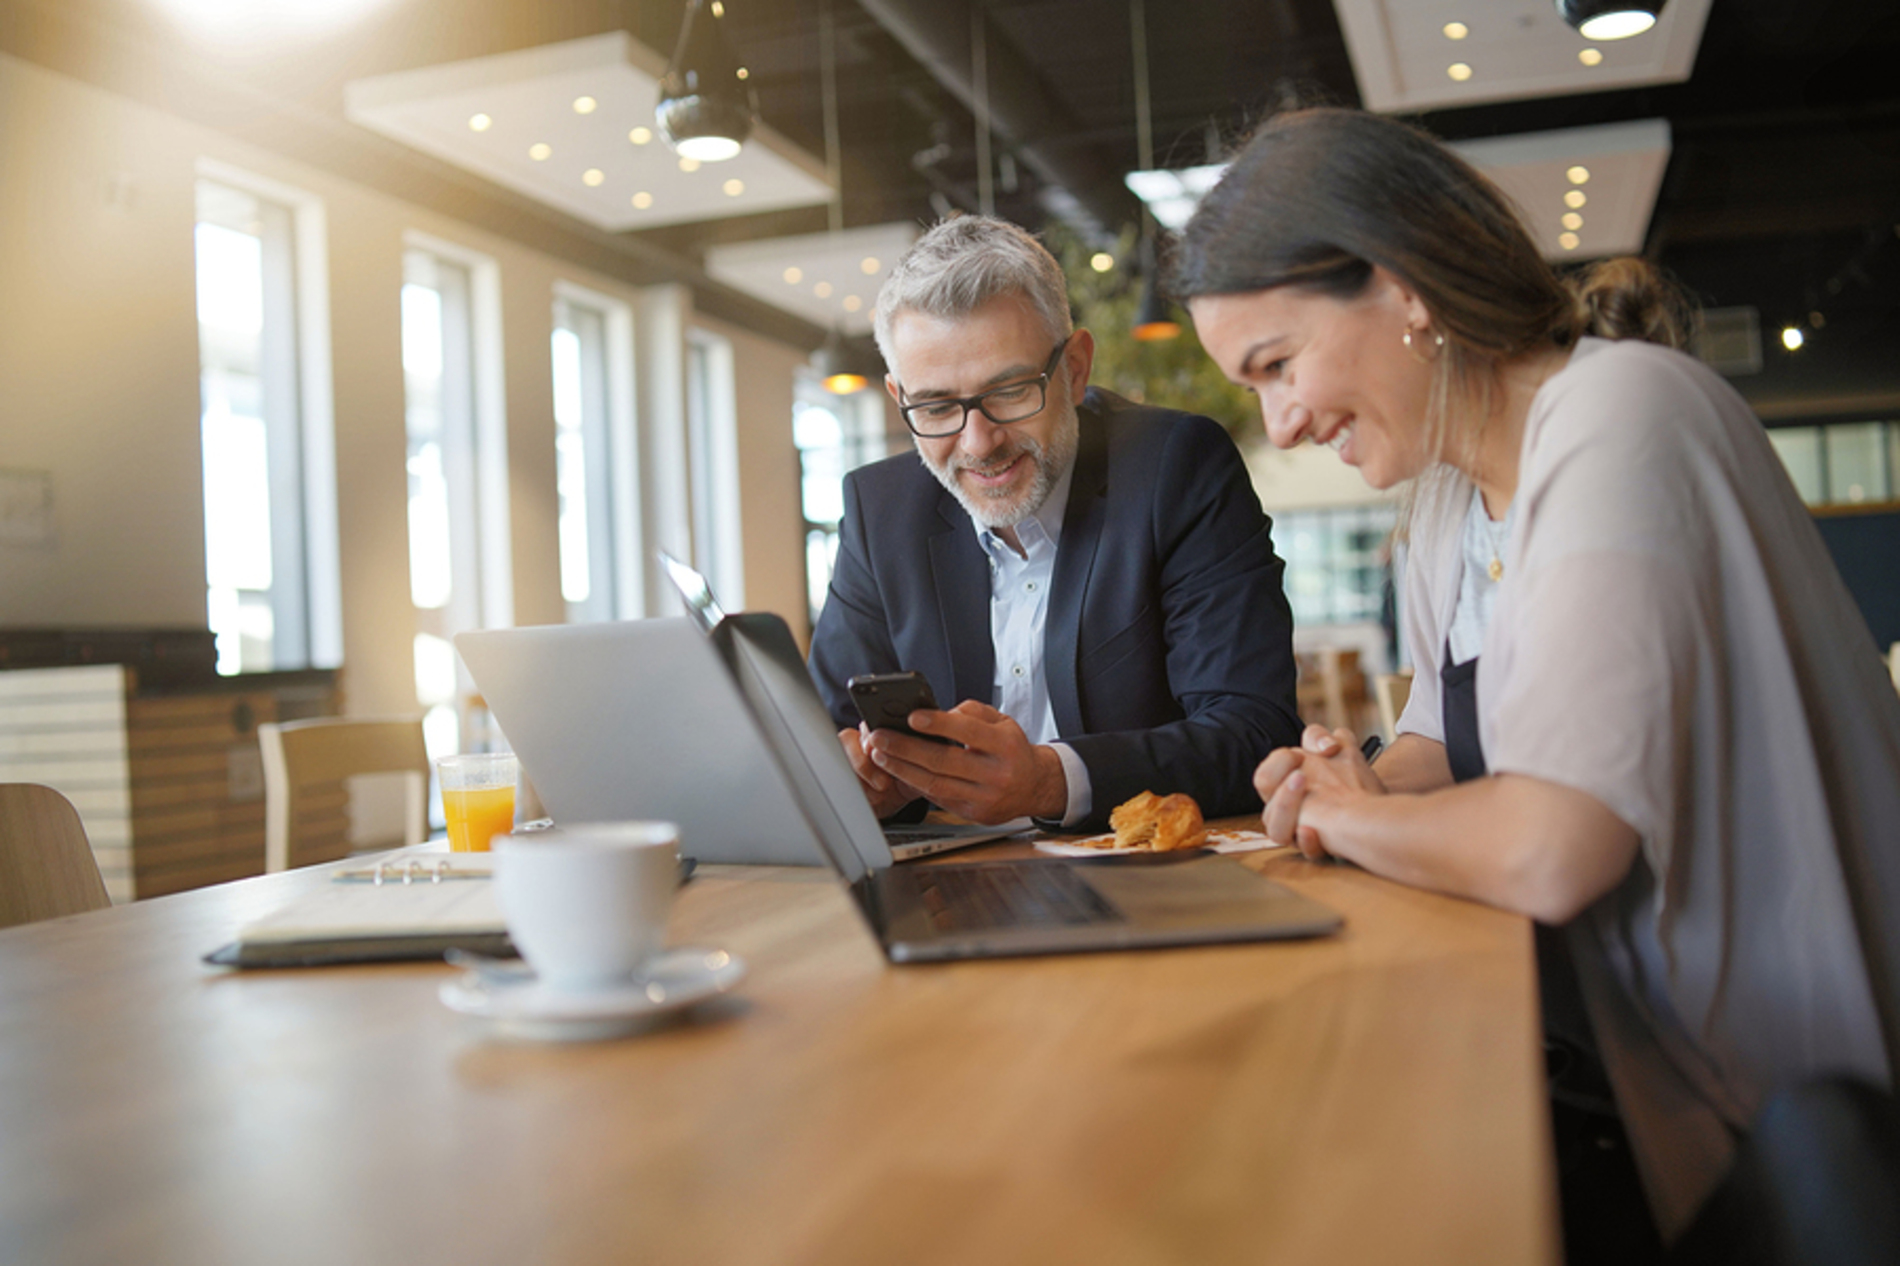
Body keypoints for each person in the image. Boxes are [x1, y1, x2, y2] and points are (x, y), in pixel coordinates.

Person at [1174, 107, 1900, 1247]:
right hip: (1638, 1060)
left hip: (1793, 1109)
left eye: (1278, 366)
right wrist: (1342, 779)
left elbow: (1553, 850)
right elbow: (1426, 739)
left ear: (1405, 285)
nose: (1284, 422)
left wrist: (1349, 823)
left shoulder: (1622, 418)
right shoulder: (1445, 505)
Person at [807, 214, 1302, 831]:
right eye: (936, 406)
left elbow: (1254, 730)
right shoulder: (879, 509)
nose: (978, 442)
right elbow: (819, 738)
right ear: (899, 397)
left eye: (1011, 391)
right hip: (950, 890)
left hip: (1145, 882)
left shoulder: (1175, 467)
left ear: (1074, 369)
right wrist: (856, 780)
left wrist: (1047, 781)